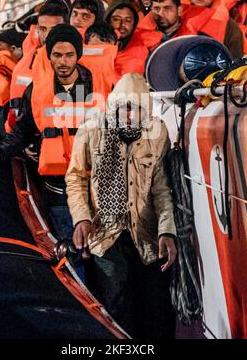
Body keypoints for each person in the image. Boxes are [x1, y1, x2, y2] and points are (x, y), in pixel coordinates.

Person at [0, 25, 99, 252]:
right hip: (59, 191)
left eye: (69, 55)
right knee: (73, 253)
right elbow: (22, 131)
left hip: (96, 188)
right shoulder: (37, 90)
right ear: (49, 56)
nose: (63, 62)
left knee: (107, 264)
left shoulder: (100, 86)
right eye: (57, 55)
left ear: (78, 55)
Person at [65, 73, 177, 338]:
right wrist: (81, 218)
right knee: (114, 310)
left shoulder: (158, 133)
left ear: (145, 110)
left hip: (146, 235)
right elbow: (76, 177)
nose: (129, 115)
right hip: (105, 235)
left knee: (155, 310)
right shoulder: (91, 131)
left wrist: (167, 230)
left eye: (136, 108)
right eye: (124, 107)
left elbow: (162, 188)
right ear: (114, 105)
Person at [7, 2, 69, 132]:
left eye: (54, 29)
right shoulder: (28, 56)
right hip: (17, 131)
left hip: (51, 136)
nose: (47, 35)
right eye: (43, 29)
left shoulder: (74, 66)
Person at [137, 0, 243, 58]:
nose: (161, 14)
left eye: (167, 8)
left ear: (179, 10)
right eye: (156, 9)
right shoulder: (141, 37)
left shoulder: (202, 34)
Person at [105, 0, 148, 80]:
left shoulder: (145, 49)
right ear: (108, 21)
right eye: (116, 19)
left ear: (134, 24)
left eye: (128, 20)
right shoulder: (93, 43)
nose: (122, 25)